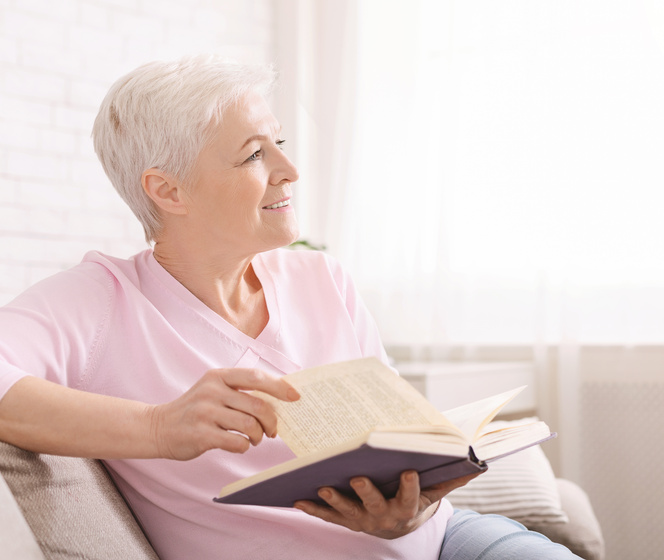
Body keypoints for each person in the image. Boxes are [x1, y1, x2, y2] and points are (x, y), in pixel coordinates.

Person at [0, 55, 580, 560]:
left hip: (444, 543)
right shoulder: (101, 299)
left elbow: (401, 439)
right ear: (168, 191)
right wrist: (158, 427)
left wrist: (414, 512)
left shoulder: (321, 278)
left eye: (280, 142)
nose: (289, 170)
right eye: (254, 154)